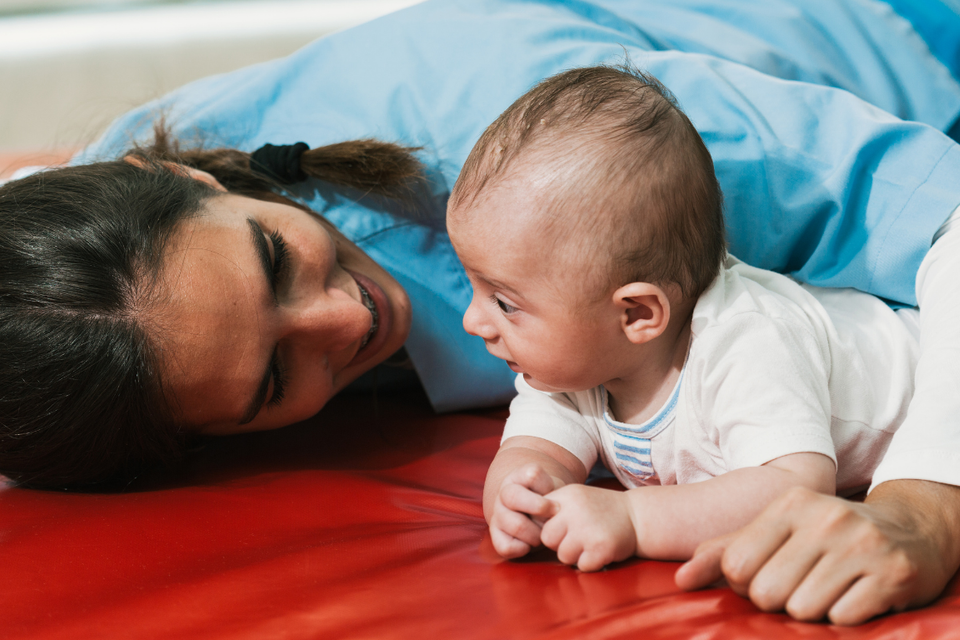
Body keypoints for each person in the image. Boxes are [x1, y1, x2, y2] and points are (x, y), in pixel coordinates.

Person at [2, 0, 960, 625]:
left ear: (172, 174)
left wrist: (927, 506)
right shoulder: (93, 282)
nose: (345, 322)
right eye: (270, 381)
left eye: (271, 256)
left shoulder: (578, 165)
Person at [447, 63, 924, 568]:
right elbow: (535, 452)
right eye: (473, 287)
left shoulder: (746, 343)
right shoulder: (568, 366)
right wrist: (517, 497)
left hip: (933, 369)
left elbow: (795, 487)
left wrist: (634, 519)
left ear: (636, 314)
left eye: (504, 302)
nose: (472, 322)